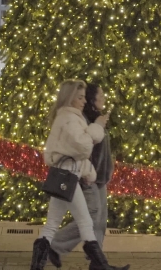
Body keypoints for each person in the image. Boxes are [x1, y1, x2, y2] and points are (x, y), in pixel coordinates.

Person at [30, 79, 127, 270]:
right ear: (70, 98)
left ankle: (39, 263)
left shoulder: (70, 117)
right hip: (69, 177)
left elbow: (78, 154)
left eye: (84, 97)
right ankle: (101, 265)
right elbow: (83, 147)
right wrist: (97, 126)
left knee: (53, 224)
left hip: (66, 176)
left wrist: (89, 171)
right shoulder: (69, 119)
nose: (83, 101)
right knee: (86, 221)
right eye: (80, 97)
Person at [52, 83, 113, 261]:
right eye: (100, 94)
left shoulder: (97, 118)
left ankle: (97, 262)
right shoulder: (84, 119)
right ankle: (54, 244)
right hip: (88, 177)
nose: (103, 97)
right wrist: (97, 126)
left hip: (99, 176)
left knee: (100, 220)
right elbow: (83, 147)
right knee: (91, 218)